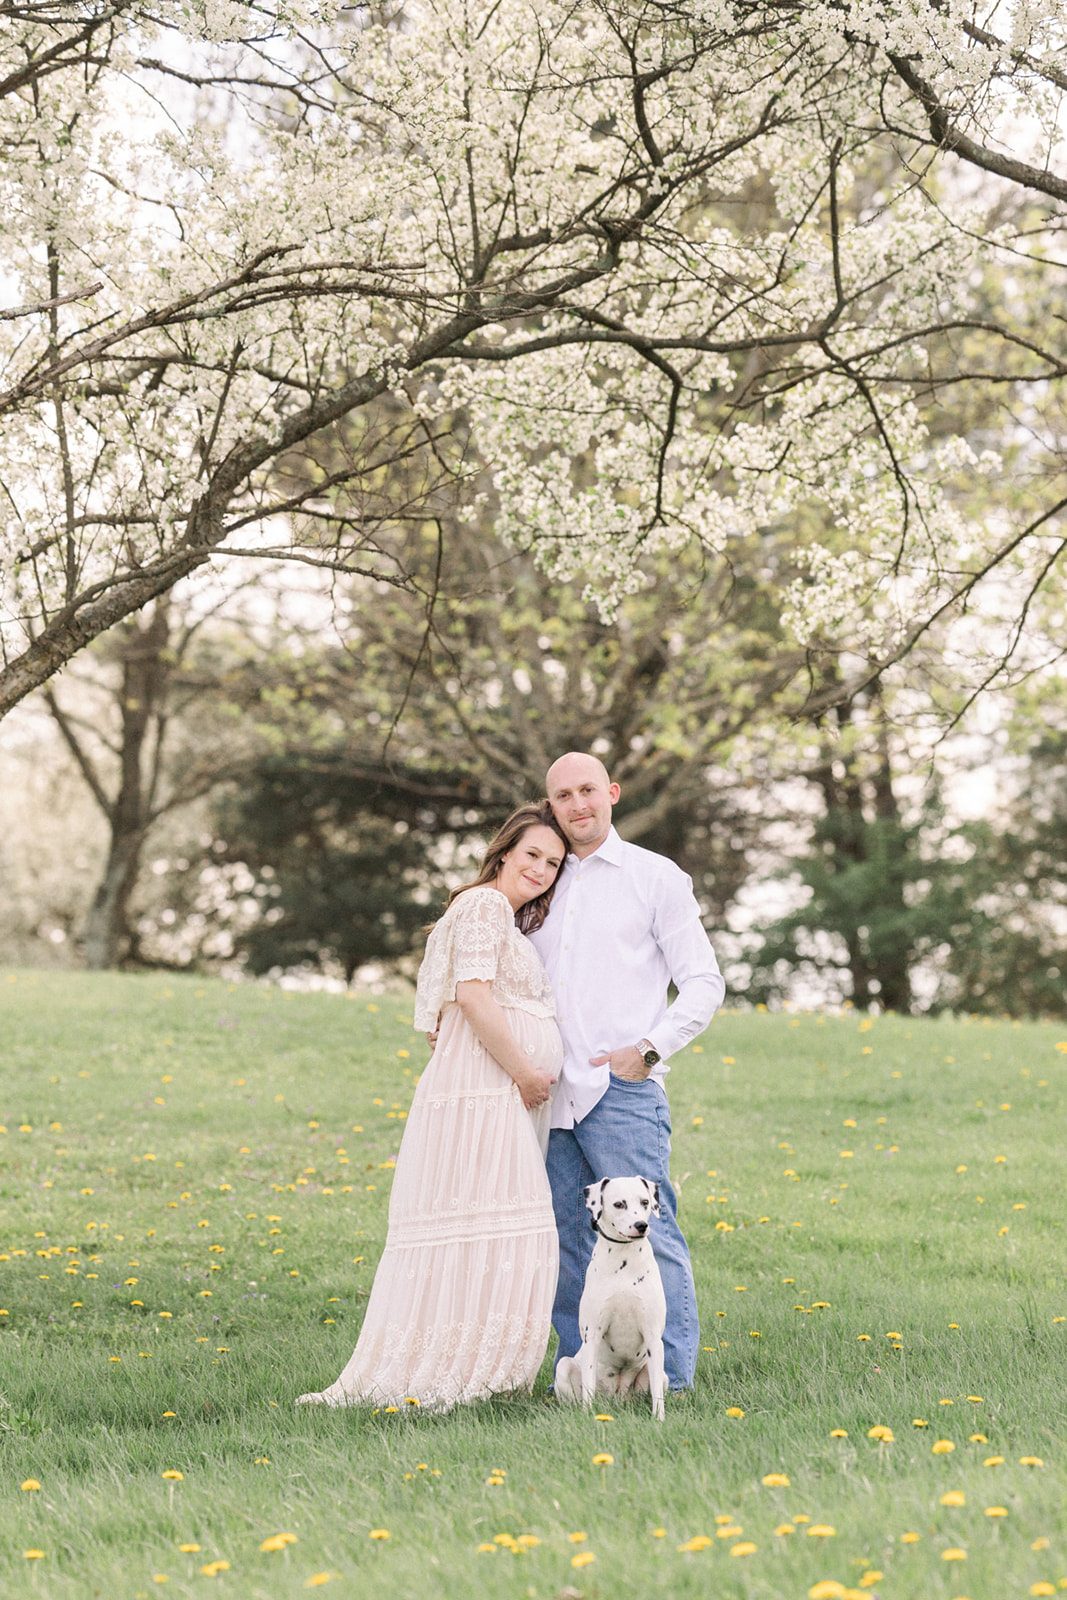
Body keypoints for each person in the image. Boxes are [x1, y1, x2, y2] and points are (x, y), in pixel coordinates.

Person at [297, 802, 568, 1409]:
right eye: (532, 855)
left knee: (497, 1228)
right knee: (504, 1228)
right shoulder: (484, 905)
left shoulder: (500, 916)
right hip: (491, 1089)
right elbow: (471, 996)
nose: (542, 869)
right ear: (503, 852)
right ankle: (463, 1372)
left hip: (494, 1089)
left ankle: (483, 1372)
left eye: (553, 863)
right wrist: (525, 1072)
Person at [528, 753, 725, 1393]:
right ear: (550, 804)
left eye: (588, 790)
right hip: (547, 1094)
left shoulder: (654, 876)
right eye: (563, 795)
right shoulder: (539, 878)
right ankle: (584, 1382)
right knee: (567, 1242)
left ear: (610, 793)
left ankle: (676, 1385)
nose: (577, 804)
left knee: (652, 1233)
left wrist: (648, 1049)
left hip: (623, 1093)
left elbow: (703, 981)